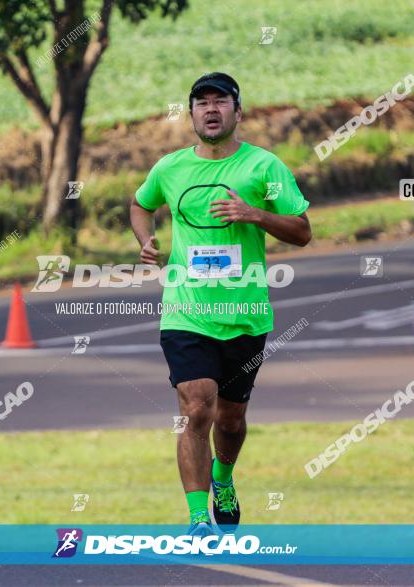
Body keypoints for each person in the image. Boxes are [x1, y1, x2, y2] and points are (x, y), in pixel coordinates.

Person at [129, 72, 311, 536]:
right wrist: (146, 239)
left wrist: (254, 213)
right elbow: (140, 203)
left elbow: (302, 230)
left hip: (245, 314)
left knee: (230, 419)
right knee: (197, 407)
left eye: (220, 102)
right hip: (187, 311)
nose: (211, 109)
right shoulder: (170, 169)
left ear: (237, 111)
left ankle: (224, 478)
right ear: (190, 114)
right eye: (201, 103)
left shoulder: (264, 168)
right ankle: (197, 518)